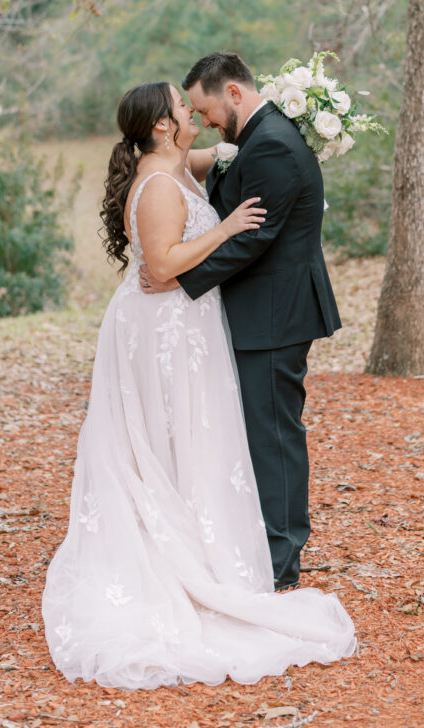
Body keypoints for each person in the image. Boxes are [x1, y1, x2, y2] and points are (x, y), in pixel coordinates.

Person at [41, 81, 354, 689]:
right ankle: (170, 560)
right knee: (164, 441)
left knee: (189, 438)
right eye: (185, 109)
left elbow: (234, 151)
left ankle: (205, 544)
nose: (195, 116)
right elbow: (161, 266)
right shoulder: (158, 184)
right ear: (162, 126)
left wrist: (289, 121)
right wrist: (229, 225)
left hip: (185, 325)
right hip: (160, 327)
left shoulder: (179, 162)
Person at [139, 53, 341, 591]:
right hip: (259, 311)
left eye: (205, 109)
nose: (203, 121)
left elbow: (253, 238)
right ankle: (261, 547)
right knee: (258, 434)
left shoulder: (271, 142)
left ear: (232, 93)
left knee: (273, 437)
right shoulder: (253, 138)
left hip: (274, 314)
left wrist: (180, 279)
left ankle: (279, 565)